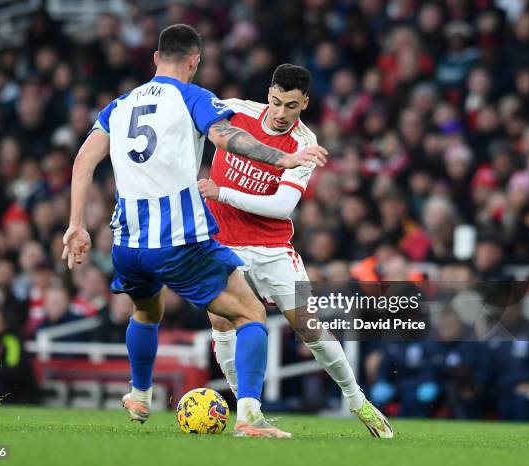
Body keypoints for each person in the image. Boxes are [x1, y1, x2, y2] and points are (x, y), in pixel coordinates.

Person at [61, 24, 327, 439]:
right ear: (194, 62)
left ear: (155, 58)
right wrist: (284, 159)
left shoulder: (120, 104)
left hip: (128, 240)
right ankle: (250, 418)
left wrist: (77, 224)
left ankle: (140, 394)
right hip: (179, 238)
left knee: (147, 311)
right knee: (251, 313)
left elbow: (82, 162)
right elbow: (227, 137)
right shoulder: (192, 96)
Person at [198, 64, 393, 438]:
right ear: (268, 92)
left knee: (309, 327)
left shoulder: (305, 144)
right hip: (221, 241)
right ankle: (248, 411)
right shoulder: (236, 110)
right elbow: (192, 119)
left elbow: (281, 207)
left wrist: (220, 192)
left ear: (305, 102)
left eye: (290, 105)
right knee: (222, 322)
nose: (280, 112)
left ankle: (357, 400)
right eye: (275, 101)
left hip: (271, 246)